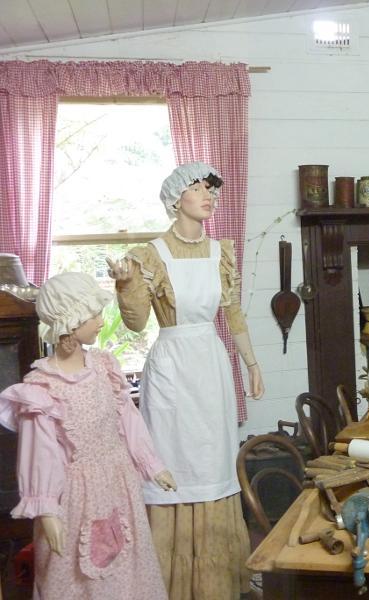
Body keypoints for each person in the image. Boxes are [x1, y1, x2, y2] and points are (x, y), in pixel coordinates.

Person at [106, 162, 264, 599]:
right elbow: (137, 324)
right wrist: (124, 286)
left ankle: (218, 580)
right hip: (172, 366)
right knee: (175, 459)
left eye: (211, 190)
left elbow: (232, 314)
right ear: (176, 199)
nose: (209, 196)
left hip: (210, 363)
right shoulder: (149, 255)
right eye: (198, 189)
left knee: (214, 459)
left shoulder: (220, 252)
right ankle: (173, 584)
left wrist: (251, 364)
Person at [0, 272, 176, 599]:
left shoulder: (105, 367)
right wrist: (47, 509)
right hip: (75, 499)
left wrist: (152, 465)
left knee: (129, 568)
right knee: (74, 576)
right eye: (93, 314)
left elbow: (127, 420)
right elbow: (40, 456)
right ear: (71, 319)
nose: (100, 320)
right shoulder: (42, 390)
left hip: (119, 486)